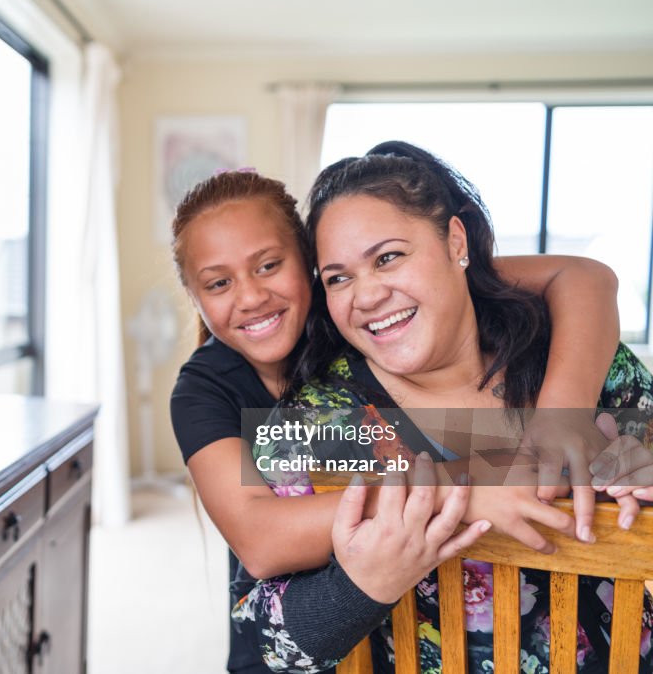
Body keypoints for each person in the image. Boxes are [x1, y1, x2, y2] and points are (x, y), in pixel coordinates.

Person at [170, 170, 627, 673]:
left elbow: (584, 277)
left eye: (269, 266)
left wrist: (565, 417)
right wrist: (466, 489)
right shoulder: (213, 391)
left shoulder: (384, 307)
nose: (252, 296)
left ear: (307, 265)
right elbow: (260, 541)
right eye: (218, 283)